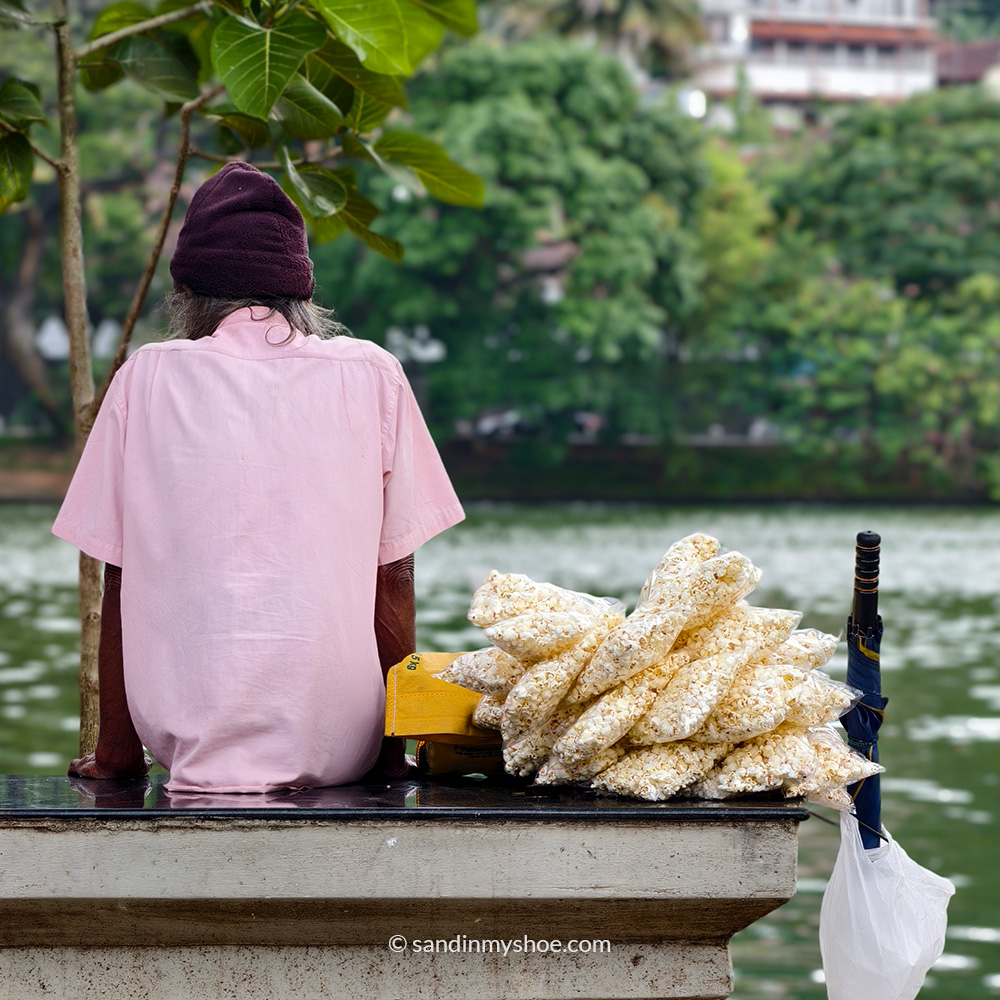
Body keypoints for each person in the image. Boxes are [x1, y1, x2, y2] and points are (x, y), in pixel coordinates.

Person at [52, 161, 465, 793]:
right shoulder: (374, 372)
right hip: (344, 747)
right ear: (299, 293)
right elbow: (395, 576)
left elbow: (119, 575)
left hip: (183, 744)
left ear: (187, 294)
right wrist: (389, 756)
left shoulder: (146, 375)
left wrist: (116, 757)